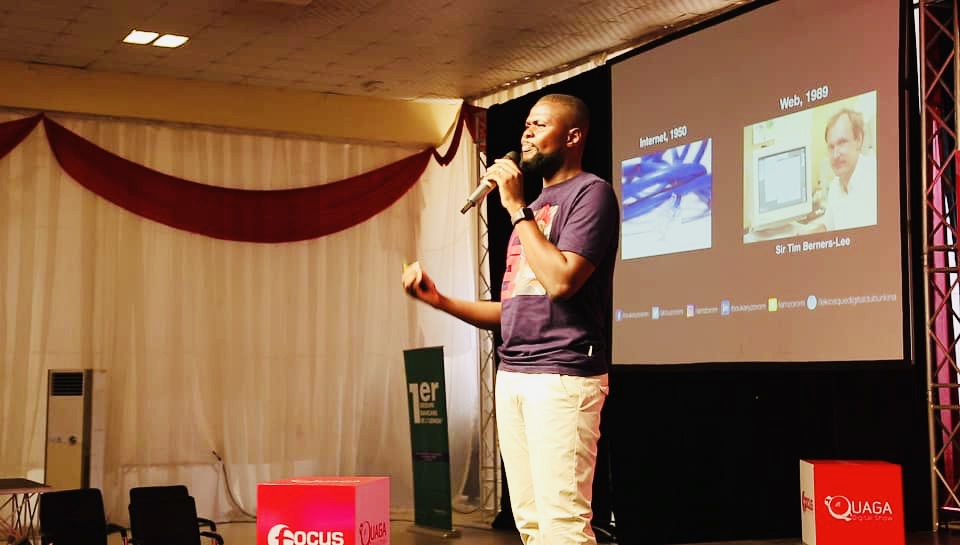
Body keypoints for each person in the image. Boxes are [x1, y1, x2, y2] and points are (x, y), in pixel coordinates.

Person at [402, 93, 620, 545]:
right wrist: (440, 300)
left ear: (573, 136)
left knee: (563, 524)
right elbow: (514, 309)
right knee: (532, 525)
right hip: (514, 374)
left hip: (561, 376)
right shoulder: (533, 210)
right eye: (525, 125)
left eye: (539, 125)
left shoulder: (591, 194)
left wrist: (517, 210)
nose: (526, 134)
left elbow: (561, 281)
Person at [804, 108, 878, 233]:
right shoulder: (835, 186)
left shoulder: (876, 177)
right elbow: (828, 227)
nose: (835, 155)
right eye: (831, 147)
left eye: (842, 143)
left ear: (859, 140)